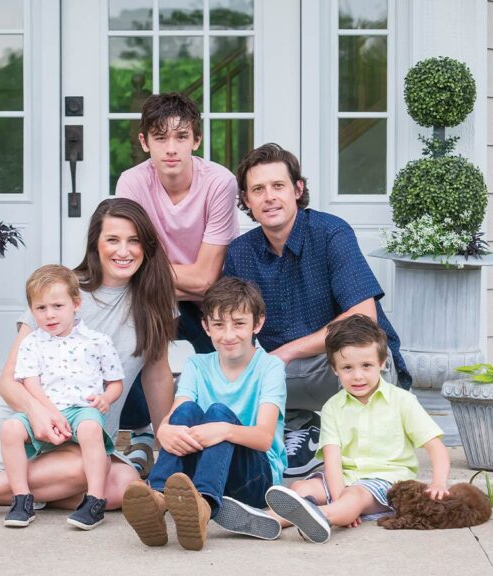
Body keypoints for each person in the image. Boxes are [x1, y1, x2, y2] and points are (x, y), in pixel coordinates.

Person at [0, 198, 177, 527]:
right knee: (90, 472)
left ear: (146, 245)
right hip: (29, 430)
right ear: (95, 244)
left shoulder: (154, 303)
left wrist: (168, 448)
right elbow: (9, 382)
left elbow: (158, 377)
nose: (124, 251)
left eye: (133, 240)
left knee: (124, 487)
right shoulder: (59, 291)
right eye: (113, 240)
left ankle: (10, 486)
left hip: (87, 436)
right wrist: (39, 412)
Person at [224, 143, 413, 478]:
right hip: (286, 374)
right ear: (247, 201)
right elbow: (231, 326)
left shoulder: (330, 233)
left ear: (297, 190)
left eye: (278, 186)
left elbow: (363, 316)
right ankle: (299, 426)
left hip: (349, 366)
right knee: (228, 372)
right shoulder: (241, 253)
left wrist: (285, 353)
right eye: (258, 190)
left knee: (357, 358)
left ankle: (354, 449)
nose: (269, 197)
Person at [114, 92, 240, 475]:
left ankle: (211, 429)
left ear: (196, 140)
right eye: (160, 138)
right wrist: (162, 276)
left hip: (207, 298)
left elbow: (206, 280)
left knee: (227, 350)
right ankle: (140, 431)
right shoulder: (132, 183)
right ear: (143, 142)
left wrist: (154, 271)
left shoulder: (219, 181)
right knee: (132, 342)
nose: (171, 149)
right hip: (152, 294)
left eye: (181, 137)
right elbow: (126, 264)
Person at [121, 277, 287, 551]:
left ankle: (204, 505)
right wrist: (163, 429)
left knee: (218, 412)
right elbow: (177, 413)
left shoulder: (270, 367)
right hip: (203, 469)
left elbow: (264, 438)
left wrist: (223, 429)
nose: (228, 334)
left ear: (257, 324)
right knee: (187, 410)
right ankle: (159, 496)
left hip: (255, 480)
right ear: (205, 326)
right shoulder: (197, 364)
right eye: (219, 325)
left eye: (239, 324)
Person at [264, 314, 449, 544]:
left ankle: (324, 516)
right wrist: (339, 499)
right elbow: (332, 459)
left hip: (386, 483)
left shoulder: (402, 401)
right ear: (334, 369)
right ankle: (268, 520)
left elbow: (436, 447)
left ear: (382, 363)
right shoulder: (333, 406)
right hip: (343, 479)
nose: (358, 376)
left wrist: (438, 483)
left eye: (366, 366)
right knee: (302, 487)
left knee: (354, 496)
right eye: (347, 368)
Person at [0, 264, 124, 530]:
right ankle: (22, 499)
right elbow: (29, 382)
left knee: (91, 428)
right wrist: (49, 412)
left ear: (75, 303)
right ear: (32, 311)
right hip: (46, 408)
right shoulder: (33, 342)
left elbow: (115, 382)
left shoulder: (96, 341)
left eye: (57, 306)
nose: (49, 315)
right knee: (10, 428)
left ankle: (94, 500)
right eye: (40, 308)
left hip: (81, 409)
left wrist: (106, 399)